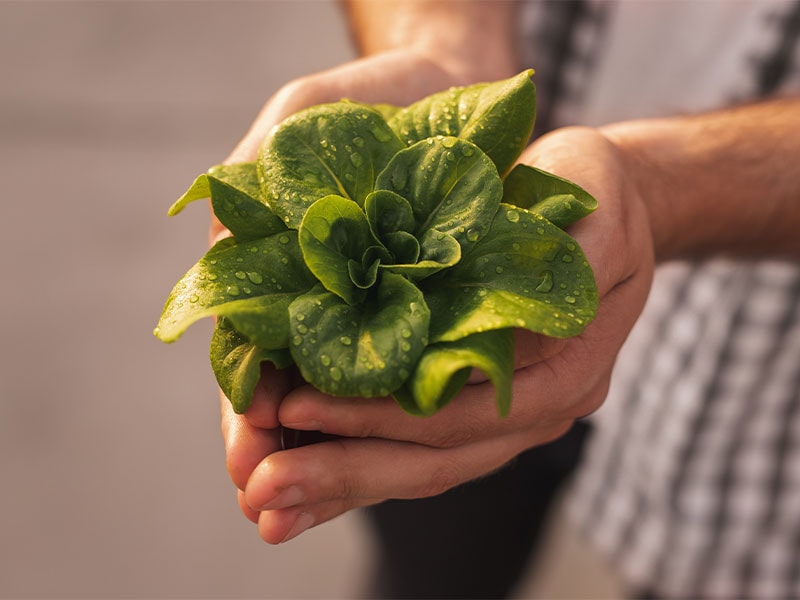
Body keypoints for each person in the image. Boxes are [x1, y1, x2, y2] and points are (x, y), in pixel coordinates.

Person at [215, 1, 800, 597]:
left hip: (744, 393)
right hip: (460, 360)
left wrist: (663, 184)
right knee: (433, 564)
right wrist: (441, 41)